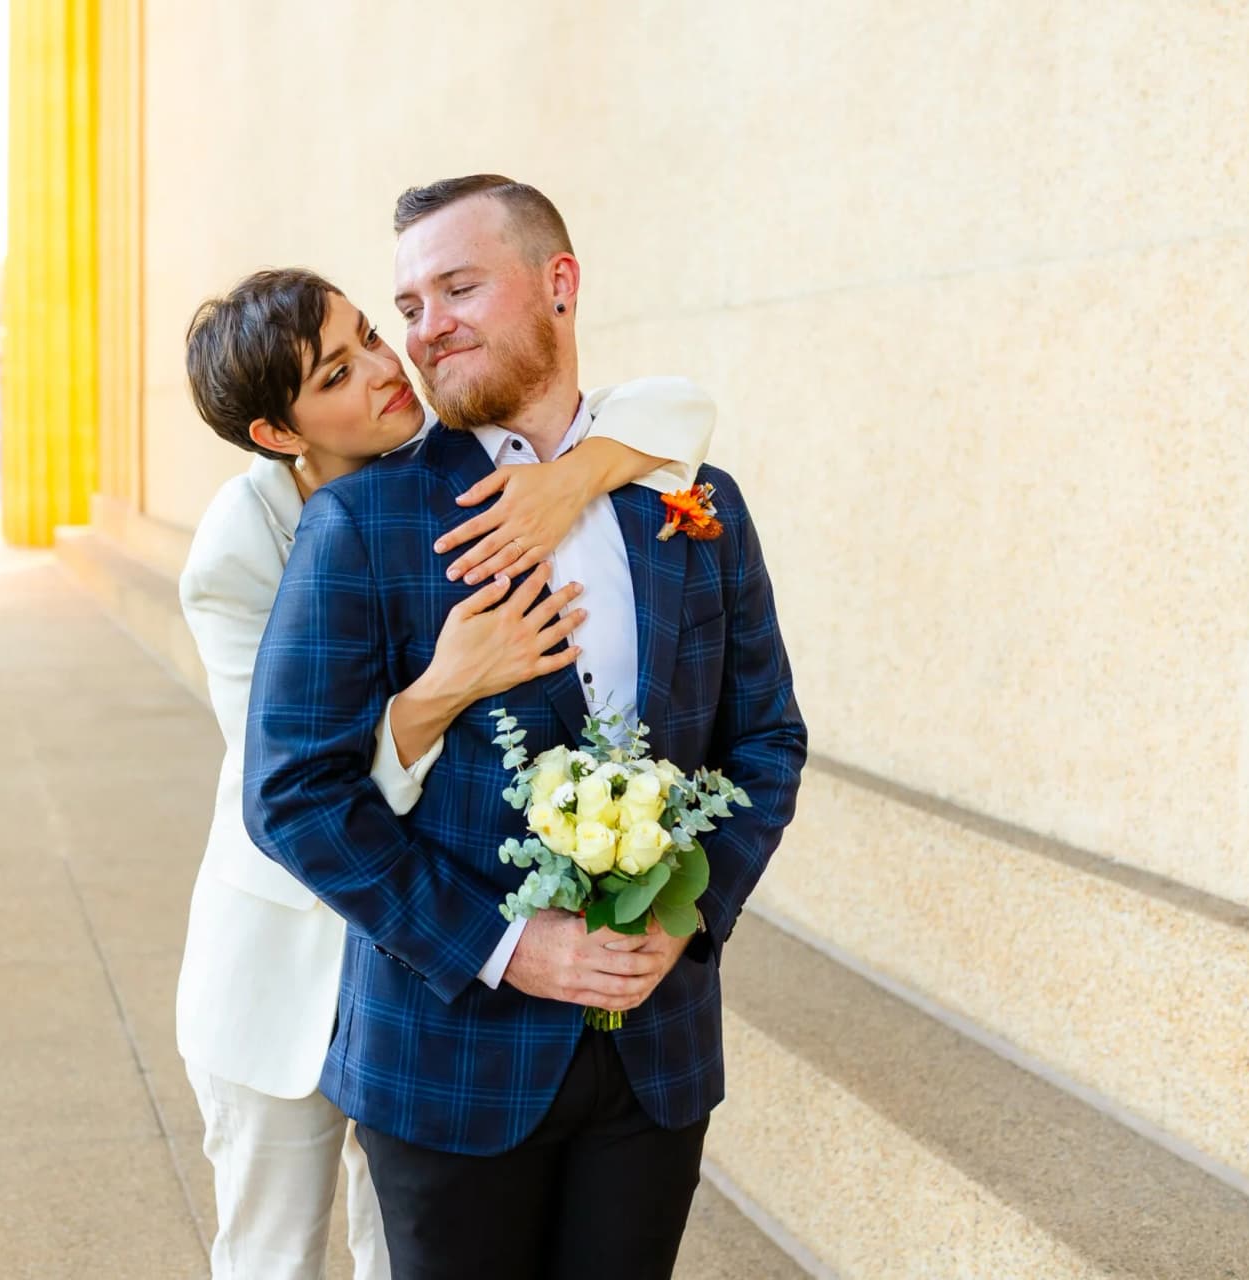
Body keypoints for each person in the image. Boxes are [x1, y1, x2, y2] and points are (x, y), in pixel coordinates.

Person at [243, 177, 808, 1280]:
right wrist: (507, 945)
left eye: (458, 285)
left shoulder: (697, 501)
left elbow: (767, 738)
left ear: (559, 284)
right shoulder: (362, 522)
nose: (424, 327)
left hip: (658, 1051)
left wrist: (686, 915)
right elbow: (294, 795)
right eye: (407, 305)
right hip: (447, 1059)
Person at [177, 264, 716, 1280]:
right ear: (278, 433)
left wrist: (575, 473)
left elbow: (683, 407)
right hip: (287, 956)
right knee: (271, 1256)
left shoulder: (450, 457)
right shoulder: (239, 548)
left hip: (431, 966)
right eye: (338, 373)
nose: (388, 370)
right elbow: (293, 782)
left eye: (371, 335)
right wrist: (444, 687)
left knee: (409, 1251)